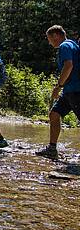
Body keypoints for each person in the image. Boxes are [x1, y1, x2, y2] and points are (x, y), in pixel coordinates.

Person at [35, 25, 80, 160]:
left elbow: (68, 65)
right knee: (54, 114)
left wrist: (59, 86)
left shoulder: (65, 46)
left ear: (56, 35)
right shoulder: (72, 44)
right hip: (69, 91)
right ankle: (52, 149)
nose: (49, 42)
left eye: (49, 39)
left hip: (75, 90)